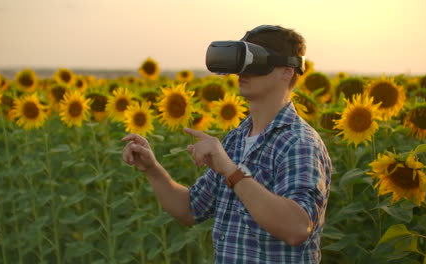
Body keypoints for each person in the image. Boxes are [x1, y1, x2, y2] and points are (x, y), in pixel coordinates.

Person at [122, 25, 332, 263]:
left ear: (287, 70)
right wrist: (152, 168)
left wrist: (232, 171)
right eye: (240, 63)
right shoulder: (236, 139)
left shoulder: (299, 142)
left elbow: (297, 228)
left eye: (254, 62)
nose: (242, 72)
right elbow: (190, 209)